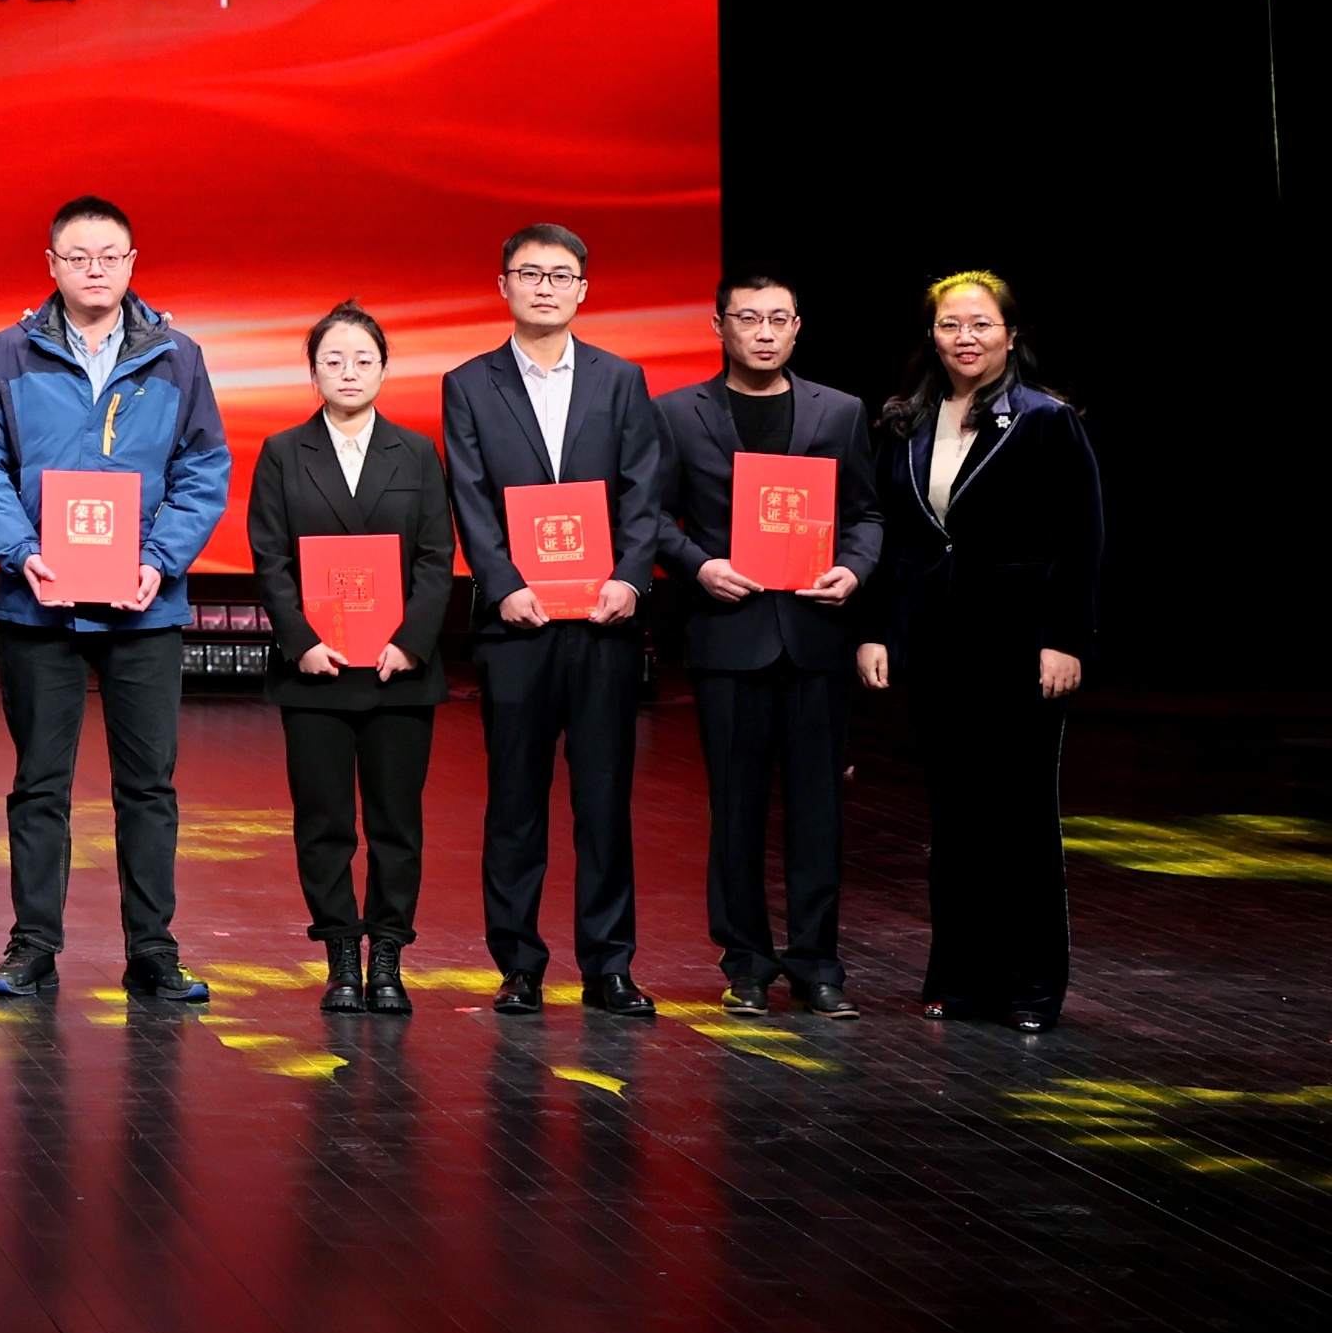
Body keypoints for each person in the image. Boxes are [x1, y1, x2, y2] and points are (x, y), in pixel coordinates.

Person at [0, 196, 233, 1004]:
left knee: (149, 785)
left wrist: (160, 560)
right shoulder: (8, 354)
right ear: (52, 265)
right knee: (40, 782)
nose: (95, 270)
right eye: (78, 257)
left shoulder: (177, 357)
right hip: (40, 603)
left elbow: (203, 468)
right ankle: (33, 945)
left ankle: (153, 949)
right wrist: (23, 553)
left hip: (145, 604)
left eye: (110, 256)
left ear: (132, 262)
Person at [440, 221, 676, 1016]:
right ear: (503, 284)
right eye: (530, 273)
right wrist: (502, 583)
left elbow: (642, 489)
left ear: (583, 289)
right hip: (518, 624)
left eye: (561, 275)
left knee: (604, 801)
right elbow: (470, 495)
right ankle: (519, 964)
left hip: (604, 621)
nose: (545, 287)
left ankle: (610, 966)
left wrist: (632, 579)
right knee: (515, 800)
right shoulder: (468, 383)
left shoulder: (621, 378)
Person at [859, 271, 1102, 1031]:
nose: (965, 338)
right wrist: (878, 629)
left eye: (981, 325)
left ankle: (1030, 987)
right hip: (937, 648)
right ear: (932, 337)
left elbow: (1081, 540)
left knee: (1020, 818)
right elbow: (894, 539)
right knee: (956, 818)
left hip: (1020, 647)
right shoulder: (906, 421)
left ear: (1010, 335)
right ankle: (958, 979)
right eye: (950, 325)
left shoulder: (1044, 420)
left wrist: (1064, 638)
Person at [656, 270, 883, 1017]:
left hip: (816, 635)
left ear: (797, 328)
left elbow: (866, 514)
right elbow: (649, 516)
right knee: (736, 810)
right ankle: (746, 962)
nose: (763, 332)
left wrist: (854, 570)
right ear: (718, 325)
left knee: (819, 810)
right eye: (747, 318)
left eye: (778, 319)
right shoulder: (676, 413)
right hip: (729, 636)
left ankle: (818, 965)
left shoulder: (840, 411)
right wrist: (699, 567)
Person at [248, 301, 456, 1016]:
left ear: (383, 369)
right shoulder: (283, 452)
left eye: (363, 360)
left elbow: (436, 558)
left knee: (397, 824)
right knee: (325, 823)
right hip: (317, 672)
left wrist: (412, 641)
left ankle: (389, 955)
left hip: (401, 671)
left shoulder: (417, 453)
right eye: (332, 360)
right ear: (312, 372)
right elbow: (270, 558)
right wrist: (302, 642)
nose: (348, 372)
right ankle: (341, 955)